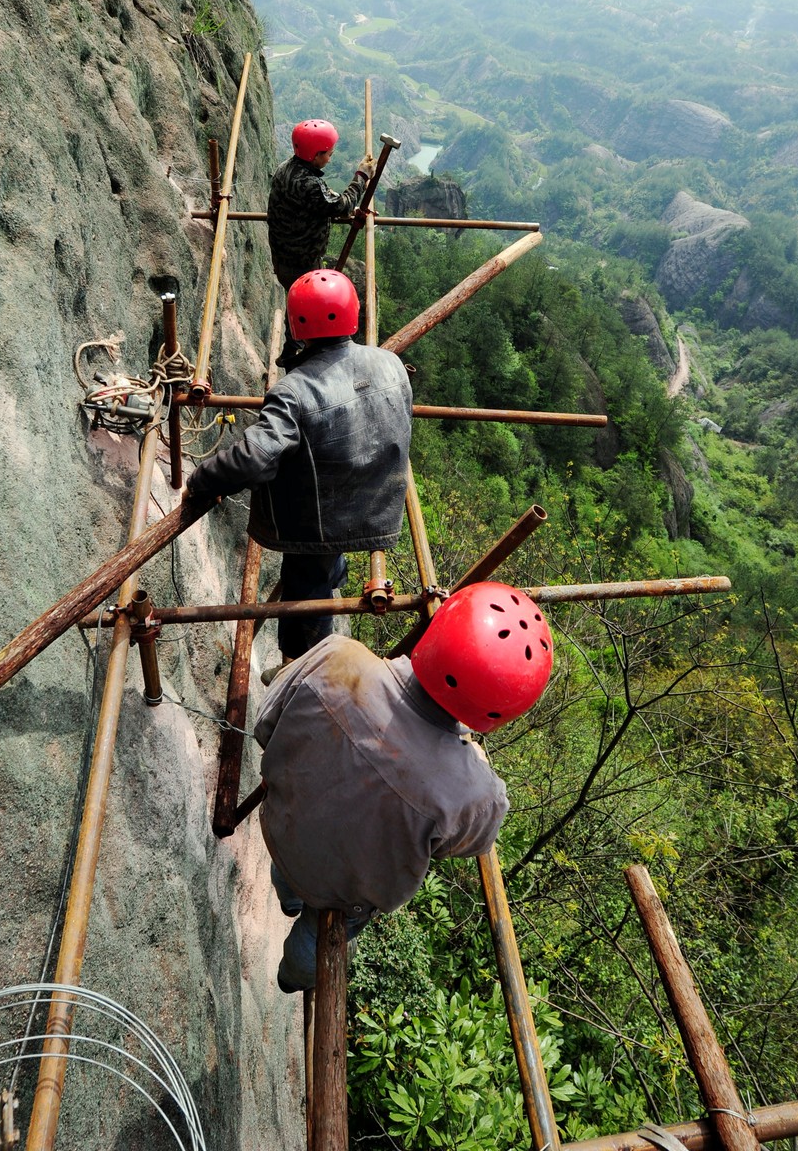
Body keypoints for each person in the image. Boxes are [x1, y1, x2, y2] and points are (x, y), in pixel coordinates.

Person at [253, 581, 554, 992]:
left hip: (282, 828)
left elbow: (264, 727)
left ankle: (288, 895)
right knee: (317, 933)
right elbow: (471, 844)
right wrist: (475, 767)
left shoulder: (338, 654)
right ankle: (290, 978)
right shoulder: (474, 794)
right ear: (501, 709)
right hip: (343, 894)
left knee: (293, 862)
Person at [184, 269, 412, 666]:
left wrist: (201, 481)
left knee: (304, 596)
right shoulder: (391, 363)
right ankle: (329, 588)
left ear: (296, 324)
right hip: (375, 506)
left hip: (321, 522)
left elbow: (256, 457)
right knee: (323, 571)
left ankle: (299, 666)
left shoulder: (296, 389)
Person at [267, 119, 373, 365]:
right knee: (308, 305)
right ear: (314, 155)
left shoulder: (286, 168)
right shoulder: (309, 184)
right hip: (301, 259)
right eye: (327, 154)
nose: (330, 158)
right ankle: (304, 359)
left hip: (283, 254)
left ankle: (289, 350)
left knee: (296, 297)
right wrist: (361, 177)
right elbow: (340, 205)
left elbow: (323, 201)